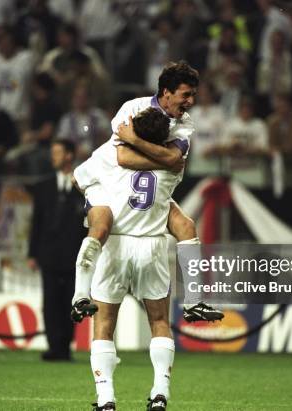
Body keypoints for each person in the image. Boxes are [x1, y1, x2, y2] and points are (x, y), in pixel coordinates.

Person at [70, 62, 223, 325]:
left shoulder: (184, 124)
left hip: (138, 185)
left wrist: (140, 143)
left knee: (186, 226)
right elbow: (124, 157)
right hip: (101, 182)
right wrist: (168, 161)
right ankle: (80, 296)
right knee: (102, 225)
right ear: (166, 92)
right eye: (186, 94)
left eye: (194, 95)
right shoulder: (132, 108)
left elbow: (171, 157)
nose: (191, 101)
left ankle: (194, 301)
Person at [85, 107, 177, 411]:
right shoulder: (174, 168)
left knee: (104, 324)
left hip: (116, 245)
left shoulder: (114, 158)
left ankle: (106, 399)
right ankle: (160, 391)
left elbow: (81, 177)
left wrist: (126, 137)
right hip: (152, 245)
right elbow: (167, 158)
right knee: (160, 321)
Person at [27, 139, 86, 362]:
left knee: (70, 301)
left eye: (57, 152)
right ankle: (54, 347)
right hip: (48, 254)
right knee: (50, 302)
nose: (53, 157)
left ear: (69, 156)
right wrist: (32, 254)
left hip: (74, 255)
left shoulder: (83, 185)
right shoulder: (43, 187)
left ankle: (65, 347)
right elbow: (36, 223)